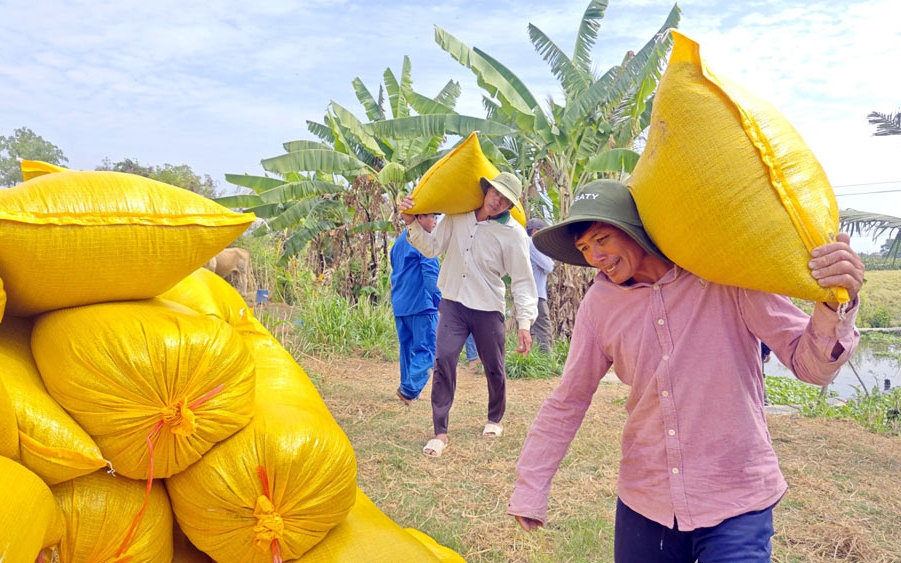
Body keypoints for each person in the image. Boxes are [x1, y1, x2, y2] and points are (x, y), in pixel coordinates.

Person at [507, 179, 864, 562]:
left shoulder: (723, 277)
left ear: (634, 228)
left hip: (736, 495)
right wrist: (532, 486)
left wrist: (835, 306)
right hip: (647, 497)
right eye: (584, 248)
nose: (595, 256)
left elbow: (809, 365)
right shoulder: (599, 305)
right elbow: (569, 399)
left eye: (602, 239)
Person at [399, 171, 538, 458]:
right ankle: (440, 432)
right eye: (495, 193)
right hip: (453, 303)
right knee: (444, 360)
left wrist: (524, 323)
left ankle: (495, 419)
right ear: (486, 190)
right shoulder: (458, 216)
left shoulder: (513, 234)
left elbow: (523, 280)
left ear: (511, 206)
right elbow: (431, 247)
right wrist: (411, 222)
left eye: (506, 200)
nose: (497, 201)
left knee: (494, 366)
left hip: (488, 308)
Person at [389, 213, 441, 406]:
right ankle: (409, 390)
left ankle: (407, 388)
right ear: (419, 218)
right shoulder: (424, 243)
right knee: (429, 349)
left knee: (408, 348)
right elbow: (430, 278)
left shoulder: (399, 242)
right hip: (421, 304)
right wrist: (439, 302)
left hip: (401, 304)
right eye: (432, 217)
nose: (435, 222)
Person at [526, 218, 555, 354]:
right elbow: (549, 266)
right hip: (537, 293)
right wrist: (545, 265)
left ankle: (530, 358)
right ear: (535, 231)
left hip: (529, 293)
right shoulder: (532, 243)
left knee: (530, 327)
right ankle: (546, 359)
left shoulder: (526, 243)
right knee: (543, 326)